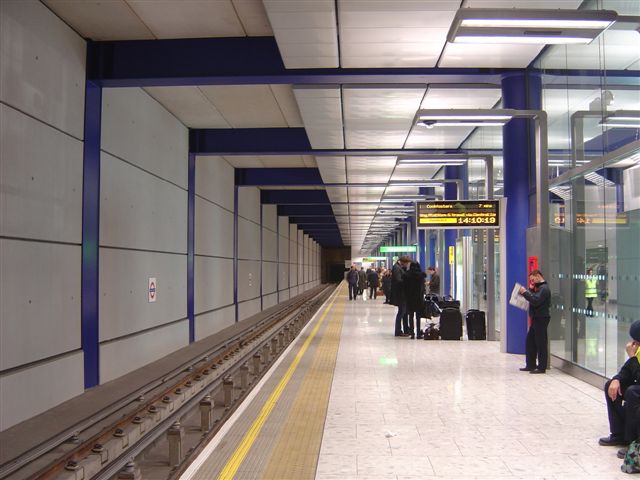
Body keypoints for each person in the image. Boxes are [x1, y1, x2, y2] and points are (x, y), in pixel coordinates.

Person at [599, 320, 640, 453]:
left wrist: (632, 357)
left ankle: (633, 443)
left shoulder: (635, 352)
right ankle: (619, 434)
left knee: (632, 392)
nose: (634, 343)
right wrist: (616, 379)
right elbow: (627, 370)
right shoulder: (638, 350)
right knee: (610, 385)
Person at [518, 269, 551, 374]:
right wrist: (530, 291)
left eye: (533, 280)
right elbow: (534, 298)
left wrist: (525, 293)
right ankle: (531, 364)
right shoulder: (538, 288)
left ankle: (542, 367)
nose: (532, 282)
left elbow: (536, 301)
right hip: (536, 318)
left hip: (541, 318)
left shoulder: (544, 289)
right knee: (530, 341)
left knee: (541, 342)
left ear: (538, 276)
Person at [405, 261, 427, 339]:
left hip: (409, 298)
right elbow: (423, 288)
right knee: (418, 317)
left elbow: (404, 287)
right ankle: (418, 334)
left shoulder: (406, 275)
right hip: (418, 298)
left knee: (410, 316)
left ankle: (412, 333)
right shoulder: (421, 275)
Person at [391, 256, 412, 337]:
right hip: (400, 295)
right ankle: (398, 331)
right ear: (403, 262)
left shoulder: (399, 267)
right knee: (401, 312)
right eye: (407, 263)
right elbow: (398, 280)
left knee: (405, 312)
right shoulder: (396, 267)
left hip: (403, 294)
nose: (407, 265)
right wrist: (407, 281)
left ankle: (406, 329)